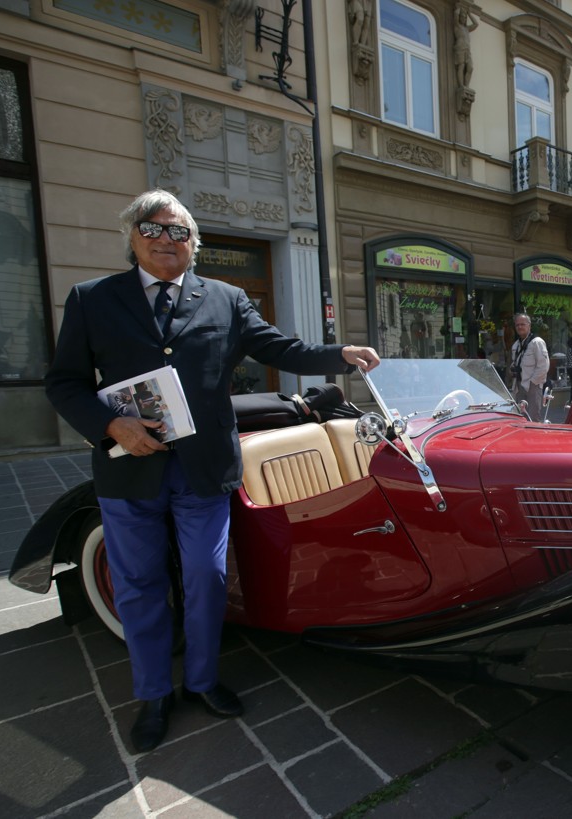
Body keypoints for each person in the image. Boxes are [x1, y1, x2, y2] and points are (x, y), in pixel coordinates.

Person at [44, 189, 380, 753]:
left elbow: (281, 348)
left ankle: (201, 680)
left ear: (194, 244)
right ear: (132, 238)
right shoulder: (92, 299)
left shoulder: (225, 297)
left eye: (179, 232)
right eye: (153, 230)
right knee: (138, 584)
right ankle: (153, 694)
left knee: (206, 576)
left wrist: (338, 355)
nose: (167, 241)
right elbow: (64, 382)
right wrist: (111, 426)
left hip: (203, 468)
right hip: (130, 469)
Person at [508, 312, 549, 422]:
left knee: (533, 418)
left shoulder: (537, 342)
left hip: (533, 386)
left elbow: (544, 366)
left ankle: (535, 439)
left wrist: (533, 383)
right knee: (521, 417)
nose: (520, 327)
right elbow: (515, 362)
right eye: (517, 325)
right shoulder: (516, 345)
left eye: (522, 324)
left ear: (529, 326)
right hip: (519, 385)